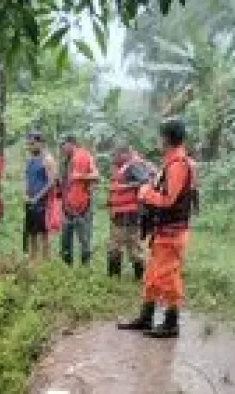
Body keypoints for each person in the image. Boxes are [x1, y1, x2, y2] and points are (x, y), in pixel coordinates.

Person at [118, 119, 195, 338]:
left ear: (167, 139)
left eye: (161, 137)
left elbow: (169, 199)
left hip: (173, 232)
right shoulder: (171, 162)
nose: (158, 141)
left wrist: (145, 193)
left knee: (168, 276)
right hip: (164, 230)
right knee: (152, 276)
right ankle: (146, 316)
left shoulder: (179, 163)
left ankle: (172, 323)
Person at [106, 145, 157, 279]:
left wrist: (123, 187)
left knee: (133, 245)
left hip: (130, 212)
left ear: (125, 154)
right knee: (115, 244)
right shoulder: (121, 168)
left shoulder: (133, 166)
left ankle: (140, 276)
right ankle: (114, 276)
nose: (114, 158)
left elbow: (145, 181)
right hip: (119, 212)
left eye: (116, 155)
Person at [59, 136, 99, 266]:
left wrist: (81, 176)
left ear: (71, 144)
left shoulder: (85, 156)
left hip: (83, 204)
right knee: (65, 237)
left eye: (63, 145)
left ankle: (85, 267)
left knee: (84, 237)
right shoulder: (66, 160)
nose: (62, 148)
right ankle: (66, 266)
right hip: (67, 204)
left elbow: (96, 176)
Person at [24, 132, 56, 262]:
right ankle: (32, 262)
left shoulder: (48, 160)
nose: (30, 147)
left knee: (44, 235)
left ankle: (46, 263)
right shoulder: (31, 160)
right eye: (29, 144)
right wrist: (26, 194)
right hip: (30, 201)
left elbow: (51, 182)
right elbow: (28, 179)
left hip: (42, 203)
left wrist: (37, 197)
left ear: (41, 143)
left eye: (32, 144)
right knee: (31, 234)